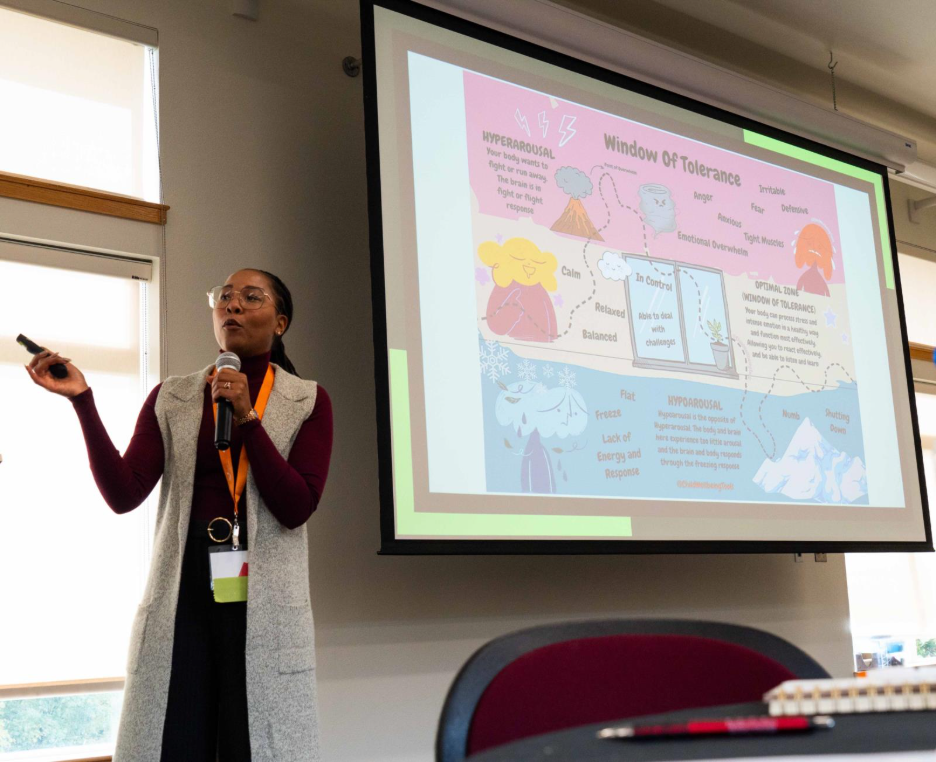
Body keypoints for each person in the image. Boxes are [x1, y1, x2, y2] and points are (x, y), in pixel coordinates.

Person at [25, 268, 333, 762]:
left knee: (253, 747)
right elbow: (124, 493)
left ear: (280, 323)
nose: (231, 306)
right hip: (184, 597)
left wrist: (247, 417)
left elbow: (296, 507)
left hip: (264, 606)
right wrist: (83, 401)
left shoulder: (308, 401)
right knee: (173, 742)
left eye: (250, 297)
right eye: (224, 296)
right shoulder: (173, 396)